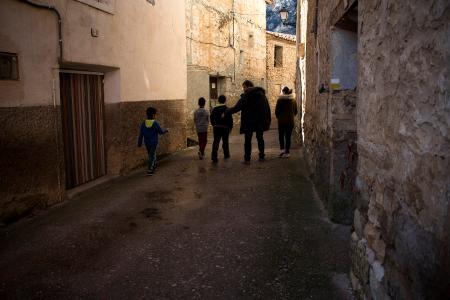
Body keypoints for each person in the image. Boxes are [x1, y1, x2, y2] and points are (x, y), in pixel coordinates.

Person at [226, 80, 271, 164]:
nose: (243, 89)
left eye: (243, 87)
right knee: (260, 138)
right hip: (260, 121)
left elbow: (237, 107)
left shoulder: (247, 95)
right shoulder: (262, 95)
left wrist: (226, 112)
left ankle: (247, 159)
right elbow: (267, 109)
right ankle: (261, 156)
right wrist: (267, 120)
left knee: (247, 140)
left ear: (247, 86)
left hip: (249, 121)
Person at [137, 107, 168, 176]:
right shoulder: (155, 123)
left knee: (150, 154)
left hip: (147, 142)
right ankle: (150, 169)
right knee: (151, 155)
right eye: (155, 114)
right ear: (153, 115)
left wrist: (139, 142)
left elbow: (141, 134)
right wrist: (165, 130)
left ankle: (153, 164)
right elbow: (160, 132)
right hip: (154, 142)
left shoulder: (143, 123)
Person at [275, 86, 298, 158]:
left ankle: (282, 151)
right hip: (290, 121)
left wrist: (279, 117)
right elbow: (296, 111)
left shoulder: (279, 100)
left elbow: (276, 112)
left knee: (281, 136)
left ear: (283, 92)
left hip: (281, 121)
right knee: (288, 137)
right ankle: (287, 152)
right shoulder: (293, 100)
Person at [210, 95, 233, 163]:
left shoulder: (215, 109)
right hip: (225, 128)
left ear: (218, 101)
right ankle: (226, 154)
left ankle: (214, 156)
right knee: (225, 141)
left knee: (216, 141)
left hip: (217, 127)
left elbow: (211, 118)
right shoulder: (227, 109)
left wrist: (214, 125)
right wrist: (230, 127)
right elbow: (230, 120)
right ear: (225, 100)